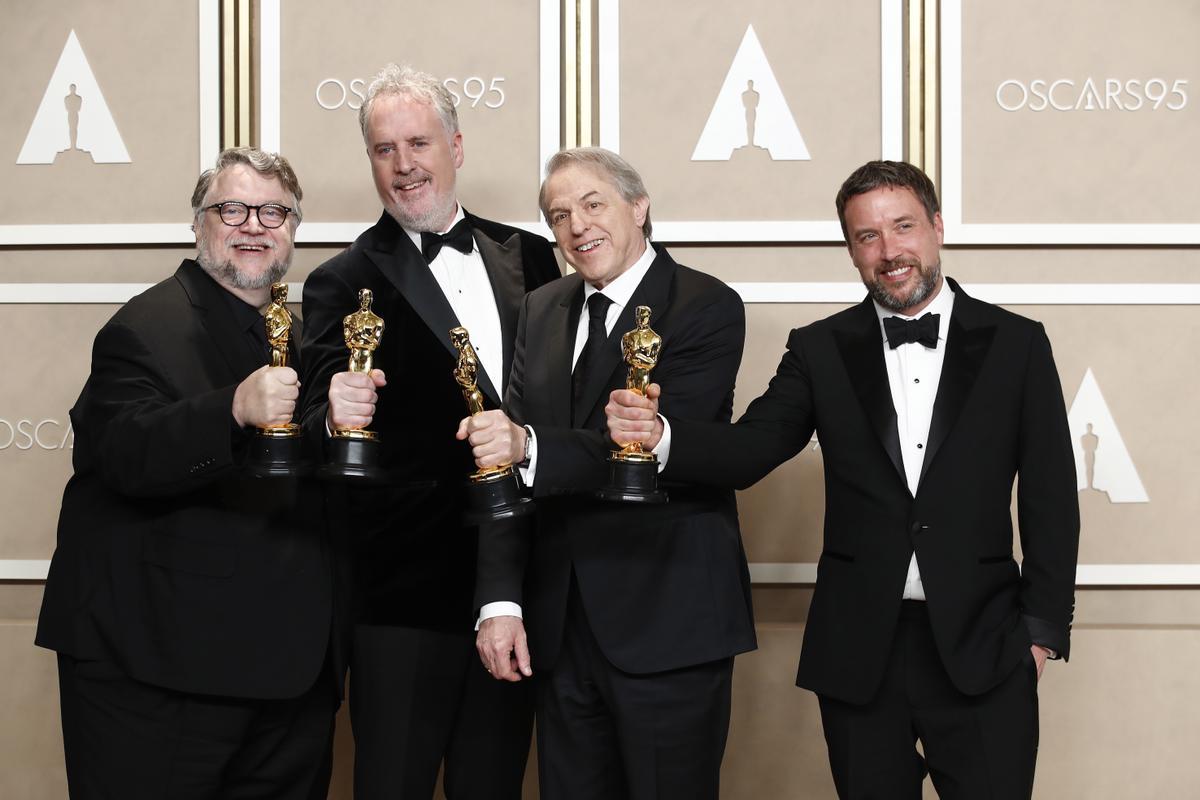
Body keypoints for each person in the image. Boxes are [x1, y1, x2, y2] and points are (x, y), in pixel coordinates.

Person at [607, 160, 1080, 799]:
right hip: (861, 653)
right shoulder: (819, 348)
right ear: (851, 250)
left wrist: (1042, 634)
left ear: (937, 228)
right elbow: (751, 449)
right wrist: (661, 438)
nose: (890, 252)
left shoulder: (1018, 343)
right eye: (867, 236)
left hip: (986, 645)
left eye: (903, 227)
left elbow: (1051, 496)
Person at [36, 147, 343, 798]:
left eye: (274, 212)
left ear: (294, 229)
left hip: (287, 672)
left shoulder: (308, 332)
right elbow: (123, 450)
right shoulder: (144, 327)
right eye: (232, 208)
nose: (254, 224)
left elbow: (306, 462)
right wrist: (232, 408)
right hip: (156, 672)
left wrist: (339, 422)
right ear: (198, 223)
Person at [461, 147, 756, 800]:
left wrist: (529, 443)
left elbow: (636, 450)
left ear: (639, 207)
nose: (576, 226)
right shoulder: (541, 309)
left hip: (668, 624)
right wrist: (501, 600)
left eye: (593, 204)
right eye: (558, 215)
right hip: (559, 629)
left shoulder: (705, 306)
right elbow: (505, 471)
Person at [298, 63, 559, 800]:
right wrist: (331, 413)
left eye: (420, 142)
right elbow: (319, 431)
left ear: (457, 145)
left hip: (519, 587)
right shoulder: (340, 281)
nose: (405, 165)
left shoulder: (536, 257)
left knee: (495, 787)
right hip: (402, 601)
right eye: (385, 149)